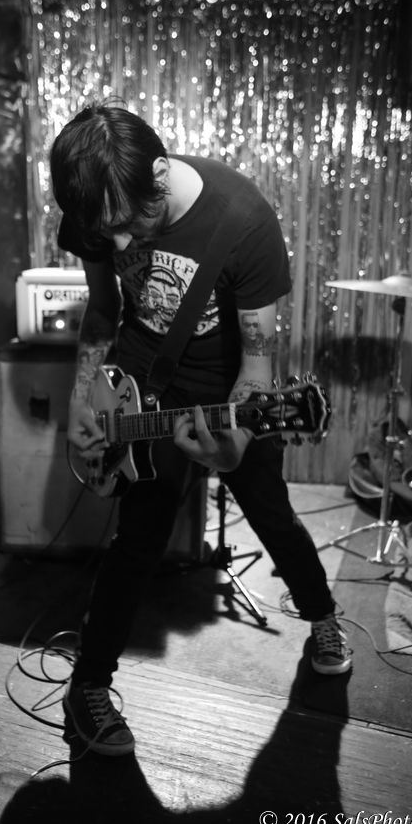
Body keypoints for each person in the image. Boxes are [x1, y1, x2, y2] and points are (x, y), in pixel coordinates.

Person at [50, 99, 352, 757]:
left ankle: (323, 618)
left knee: (272, 514)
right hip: (138, 384)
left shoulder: (243, 222)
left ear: (159, 175)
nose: (120, 245)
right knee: (138, 538)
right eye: (106, 232)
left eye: (130, 224)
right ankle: (88, 686)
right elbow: (103, 308)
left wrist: (237, 440)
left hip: (229, 391)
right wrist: (81, 399)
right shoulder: (98, 205)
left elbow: (258, 359)